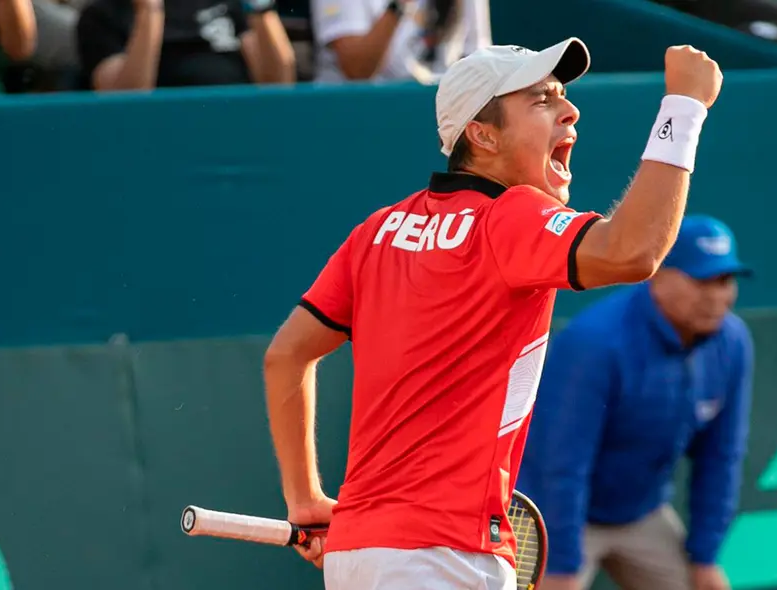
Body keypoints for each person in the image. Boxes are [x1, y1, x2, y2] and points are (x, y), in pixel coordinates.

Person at [261, 37, 724, 590]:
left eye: (561, 96)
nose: (569, 108)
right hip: (444, 555)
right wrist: (684, 109)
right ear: (482, 136)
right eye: (541, 99)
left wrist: (305, 498)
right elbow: (633, 251)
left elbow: (285, 356)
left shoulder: (377, 231)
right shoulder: (508, 218)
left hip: (360, 555)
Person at [516, 215, 756, 590]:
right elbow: (561, 466)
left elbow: (721, 457)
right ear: (658, 274)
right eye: (702, 280)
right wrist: (561, 566)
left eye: (725, 281)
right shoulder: (595, 344)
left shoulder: (734, 342)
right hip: (558, 513)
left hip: (641, 513)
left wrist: (705, 557)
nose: (716, 296)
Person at [76, 0, 296, 91]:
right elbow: (125, 100)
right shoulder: (102, 16)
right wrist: (149, 12)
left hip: (238, 127)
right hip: (159, 139)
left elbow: (278, 81)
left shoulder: (226, 4)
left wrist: (261, 6)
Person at [310, 0, 492, 83]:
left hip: (444, 116)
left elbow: (480, 65)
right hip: (359, 118)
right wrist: (399, 5)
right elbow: (357, 70)